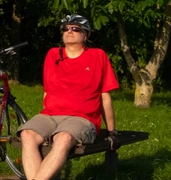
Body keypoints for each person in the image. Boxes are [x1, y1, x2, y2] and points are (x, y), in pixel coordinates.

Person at [18, 14, 119, 180]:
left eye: (75, 29)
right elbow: (47, 91)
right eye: (65, 28)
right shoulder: (53, 55)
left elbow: (105, 96)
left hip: (82, 118)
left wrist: (111, 131)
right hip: (50, 114)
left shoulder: (97, 56)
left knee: (63, 137)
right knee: (27, 134)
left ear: (85, 35)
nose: (69, 31)